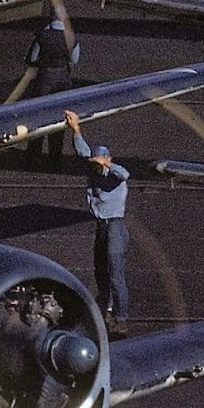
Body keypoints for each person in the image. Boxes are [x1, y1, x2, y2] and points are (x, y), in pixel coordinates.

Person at [65, 109, 129, 335]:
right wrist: (76, 130)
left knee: (116, 275)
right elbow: (83, 152)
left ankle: (121, 318)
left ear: (108, 160)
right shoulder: (93, 170)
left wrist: (107, 165)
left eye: (100, 163)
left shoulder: (113, 175)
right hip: (102, 227)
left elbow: (125, 174)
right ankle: (105, 311)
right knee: (100, 272)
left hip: (115, 227)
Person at [16, 7, 80, 167]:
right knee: (60, 118)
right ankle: (55, 157)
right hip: (63, 79)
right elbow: (75, 59)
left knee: (38, 116)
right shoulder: (71, 37)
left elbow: (31, 58)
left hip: (44, 78)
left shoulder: (42, 35)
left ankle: (33, 155)